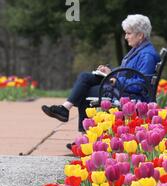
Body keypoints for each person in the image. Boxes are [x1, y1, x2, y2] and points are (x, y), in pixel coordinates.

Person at [41, 14, 160, 149]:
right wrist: (109, 71)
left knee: (84, 92)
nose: (126, 37)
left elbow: (141, 84)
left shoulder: (147, 55)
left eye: (128, 33)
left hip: (129, 94)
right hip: (123, 87)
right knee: (85, 77)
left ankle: (84, 137)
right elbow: (128, 70)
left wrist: (115, 79)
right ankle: (65, 110)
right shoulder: (139, 49)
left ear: (140, 35)